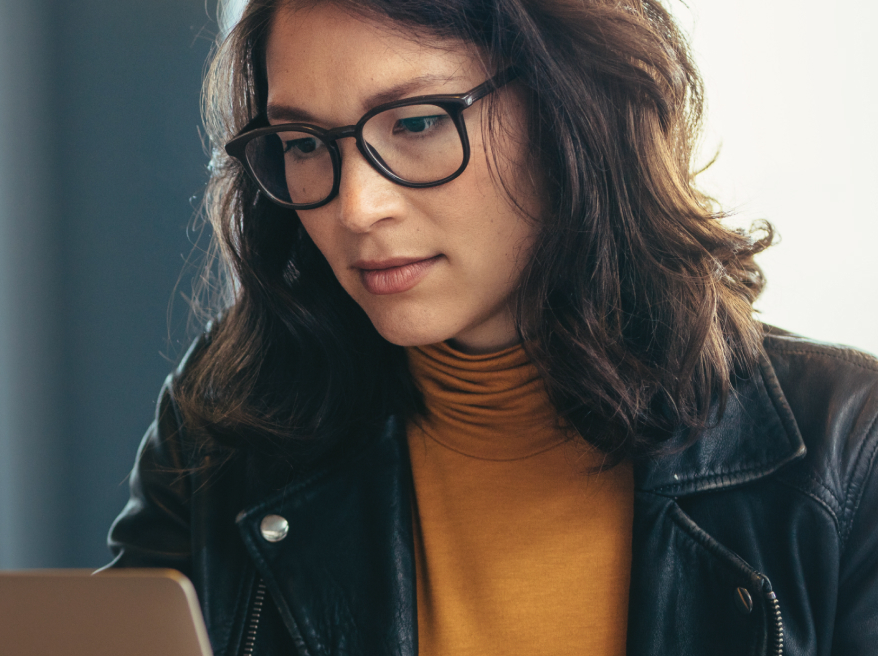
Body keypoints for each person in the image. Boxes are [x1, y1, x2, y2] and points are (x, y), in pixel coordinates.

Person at [103, 0, 878, 654]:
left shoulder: (847, 446)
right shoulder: (227, 424)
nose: (356, 208)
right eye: (305, 144)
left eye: (415, 123)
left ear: (571, 110)